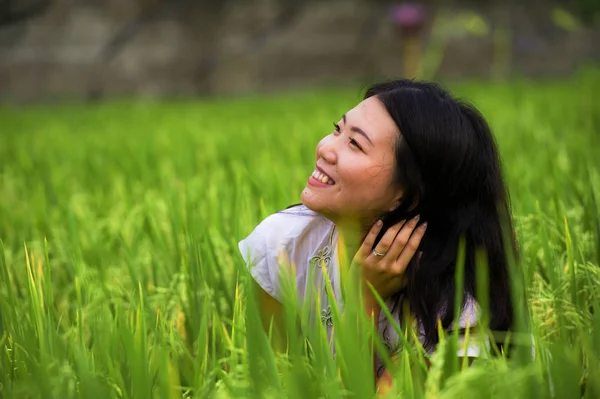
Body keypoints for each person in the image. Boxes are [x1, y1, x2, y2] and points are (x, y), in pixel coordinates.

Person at [238, 79, 517, 391]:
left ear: (406, 196)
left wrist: (364, 300)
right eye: (337, 129)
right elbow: (268, 384)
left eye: (355, 144)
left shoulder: (451, 317)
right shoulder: (284, 245)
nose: (326, 149)